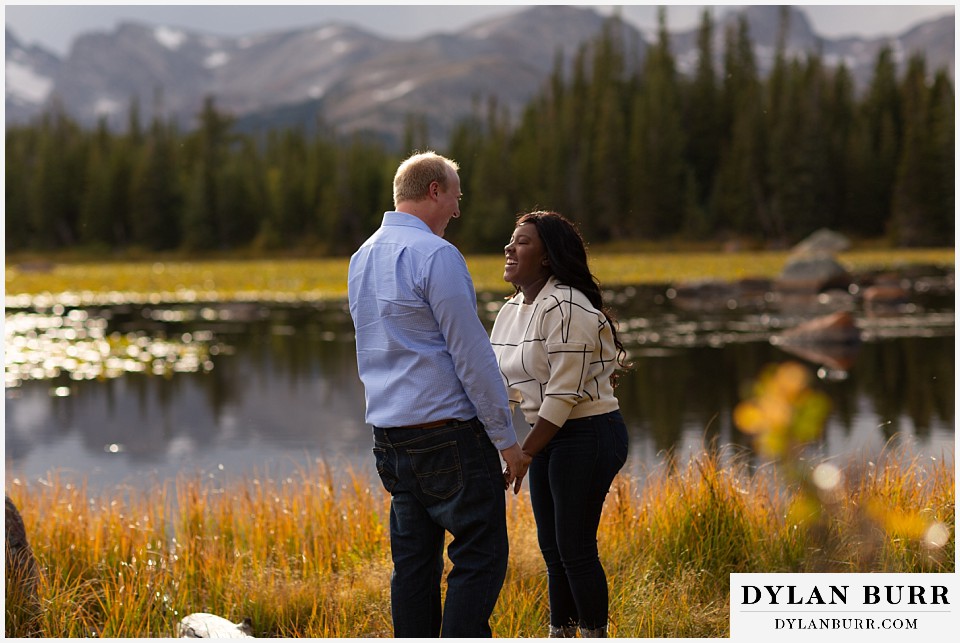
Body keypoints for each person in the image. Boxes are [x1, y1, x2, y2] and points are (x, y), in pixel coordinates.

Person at [347, 151, 528, 638]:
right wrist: (506, 440)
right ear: (433, 192)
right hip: (448, 438)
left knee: (413, 569)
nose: (457, 209)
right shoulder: (436, 255)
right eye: (455, 196)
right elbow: (471, 355)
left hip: (391, 440)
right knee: (481, 555)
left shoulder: (361, 256)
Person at [490, 211, 630, 638]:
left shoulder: (567, 305)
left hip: (587, 432)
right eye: (511, 241)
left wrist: (525, 452)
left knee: (575, 548)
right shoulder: (513, 308)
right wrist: (498, 441)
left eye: (523, 242)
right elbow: (503, 385)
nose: (510, 249)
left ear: (548, 257)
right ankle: (561, 633)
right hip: (548, 433)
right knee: (553, 549)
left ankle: (592, 634)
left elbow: (563, 394)